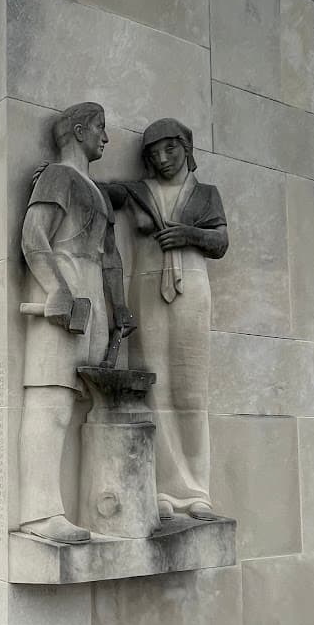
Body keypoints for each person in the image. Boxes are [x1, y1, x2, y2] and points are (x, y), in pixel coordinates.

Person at [18, 102, 134, 543]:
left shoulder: (96, 191)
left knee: (85, 402)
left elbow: (110, 258)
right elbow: (33, 236)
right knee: (51, 403)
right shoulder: (58, 177)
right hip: (64, 289)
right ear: (79, 130)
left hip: (94, 301)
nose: (106, 137)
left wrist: (118, 307)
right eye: (101, 128)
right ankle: (39, 512)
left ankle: (101, 505)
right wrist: (56, 289)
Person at [105, 118, 228, 520]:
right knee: (153, 385)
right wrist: (58, 175)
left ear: (186, 149)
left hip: (192, 289)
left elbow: (220, 242)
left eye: (170, 149)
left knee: (192, 391)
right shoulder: (140, 191)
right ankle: (161, 489)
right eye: (154, 153)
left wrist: (188, 235)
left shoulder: (206, 194)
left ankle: (198, 492)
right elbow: (100, 194)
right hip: (145, 290)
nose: (162, 158)